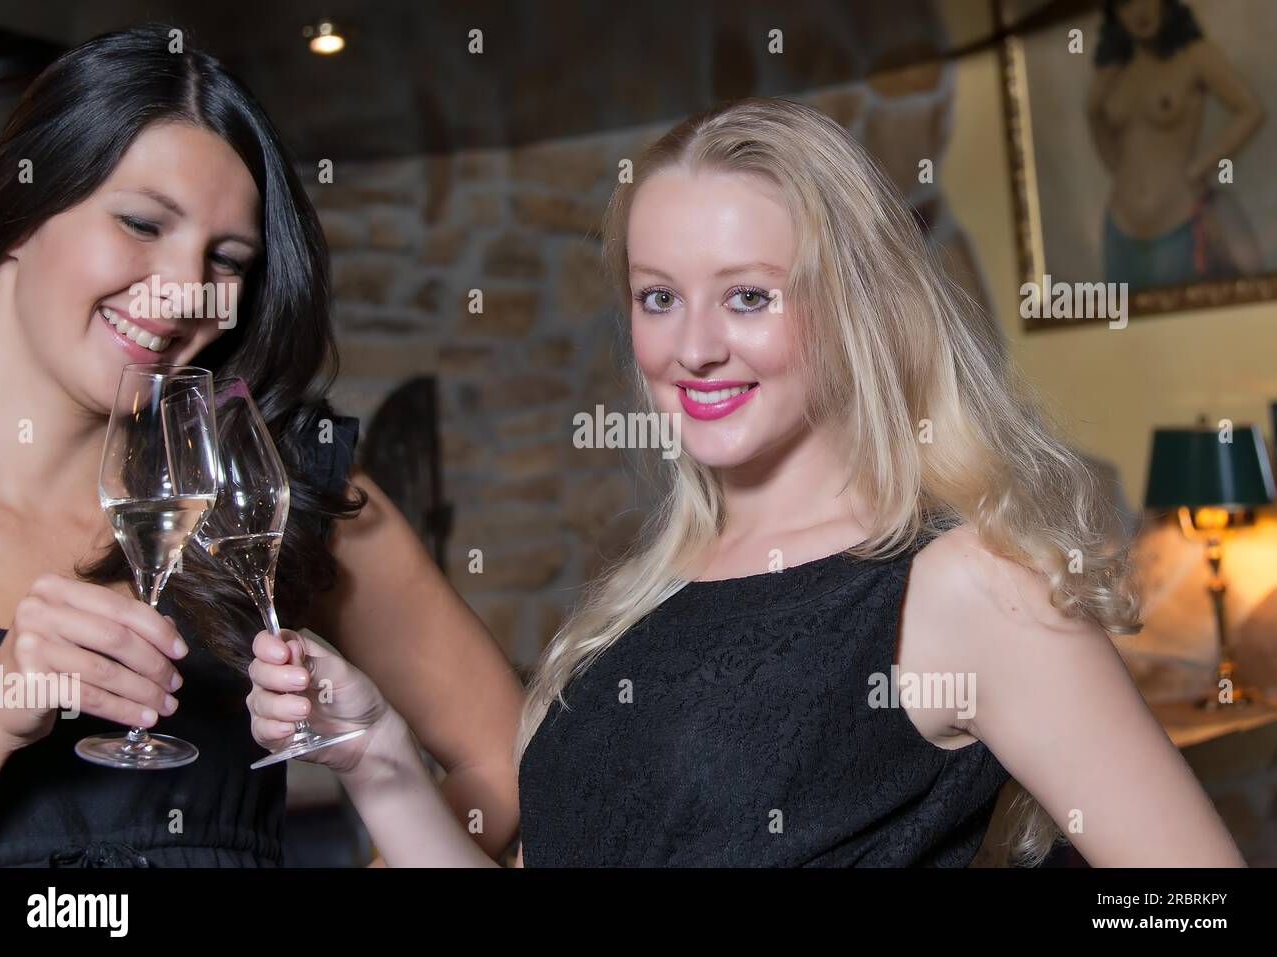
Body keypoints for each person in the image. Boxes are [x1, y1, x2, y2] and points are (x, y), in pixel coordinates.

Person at [247, 96, 1246, 867]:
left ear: (853, 307)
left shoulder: (958, 586)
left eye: (749, 296)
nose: (693, 348)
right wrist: (374, 753)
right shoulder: (654, 591)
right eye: (657, 297)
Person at [0, 25, 521, 866]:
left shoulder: (272, 484)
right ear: (21, 209)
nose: (185, 292)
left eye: (225, 259)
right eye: (140, 222)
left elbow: (505, 754)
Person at [1087, 0, 1265, 289]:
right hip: (1119, 226)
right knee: (1120, 330)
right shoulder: (1113, 70)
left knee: (1188, 325)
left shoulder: (1195, 56)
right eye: (1125, 3)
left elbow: (1251, 110)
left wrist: (1199, 168)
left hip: (1178, 220)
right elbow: (1113, 158)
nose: (1139, 11)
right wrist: (1092, 113)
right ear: (1114, 13)